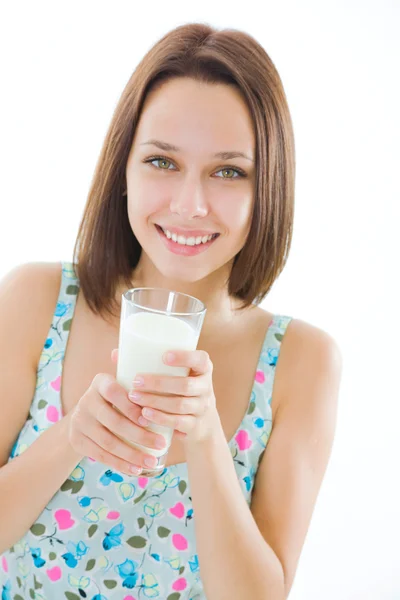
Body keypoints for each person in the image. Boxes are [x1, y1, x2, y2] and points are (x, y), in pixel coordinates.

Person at [0, 22, 342, 600]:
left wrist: (207, 438)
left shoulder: (302, 362)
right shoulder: (37, 299)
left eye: (229, 172)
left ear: (269, 189)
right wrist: (71, 438)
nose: (190, 204)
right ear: (124, 172)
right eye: (162, 161)